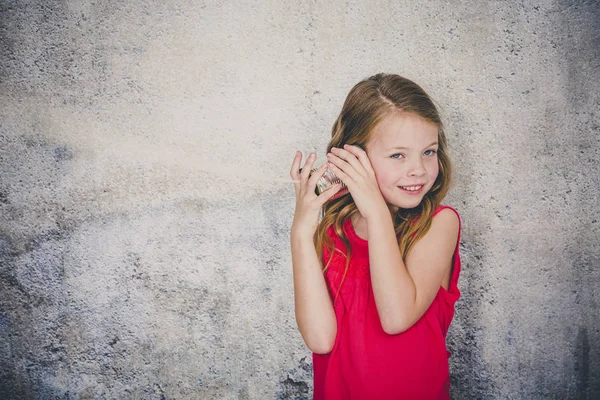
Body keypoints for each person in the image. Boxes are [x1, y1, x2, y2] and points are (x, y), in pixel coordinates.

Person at [289, 73, 462, 399]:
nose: (419, 170)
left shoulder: (439, 225)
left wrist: (377, 214)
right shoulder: (332, 233)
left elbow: (396, 317)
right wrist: (301, 232)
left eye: (429, 152)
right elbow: (320, 339)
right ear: (354, 157)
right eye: (398, 155)